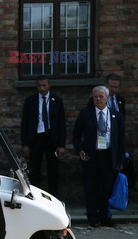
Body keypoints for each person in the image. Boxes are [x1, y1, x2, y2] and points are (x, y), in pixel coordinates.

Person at [73, 86, 125, 228]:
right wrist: (80, 151)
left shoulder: (116, 115)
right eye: (96, 96)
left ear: (107, 98)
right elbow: (76, 136)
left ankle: (105, 217)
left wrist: (120, 159)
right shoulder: (85, 114)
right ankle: (93, 217)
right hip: (91, 156)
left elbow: (121, 139)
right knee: (91, 188)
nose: (98, 99)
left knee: (106, 188)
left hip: (108, 156)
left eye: (101, 96)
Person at [21, 75, 66, 196]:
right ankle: (35, 196)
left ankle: (53, 197)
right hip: (36, 138)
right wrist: (25, 144)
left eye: (44, 85)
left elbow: (62, 124)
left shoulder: (56, 101)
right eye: (39, 86)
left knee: (53, 171)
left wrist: (62, 144)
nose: (42, 88)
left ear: (49, 85)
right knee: (34, 170)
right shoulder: (30, 101)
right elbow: (24, 123)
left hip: (52, 138)